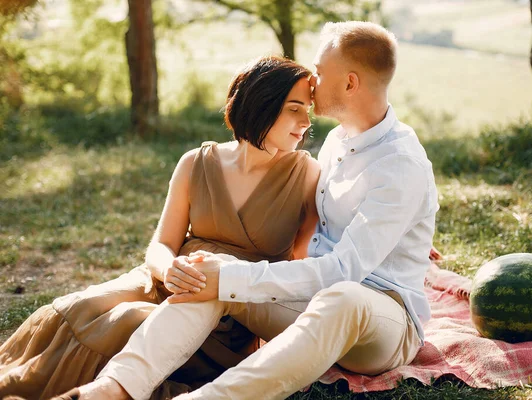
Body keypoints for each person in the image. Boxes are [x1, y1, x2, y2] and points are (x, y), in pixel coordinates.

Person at [71, 20, 440, 400]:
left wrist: (237, 278)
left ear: (349, 83)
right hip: (313, 302)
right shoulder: (338, 141)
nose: (312, 80)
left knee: (339, 295)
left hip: (381, 321)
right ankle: (112, 388)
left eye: (319, 70)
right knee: (212, 276)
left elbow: (343, 270)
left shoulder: (400, 165)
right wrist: (226, 276)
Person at [0, 56, 320, 400]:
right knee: (83, 305)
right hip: (166, 276)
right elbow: (162, 243)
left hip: (225, 305)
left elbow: (298, 267)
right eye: (294, 108)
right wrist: (169, 270)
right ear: (261, 104)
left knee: (131, 320)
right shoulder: (195, 162)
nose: (306, 122)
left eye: (308, 111)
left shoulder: (306, 175)